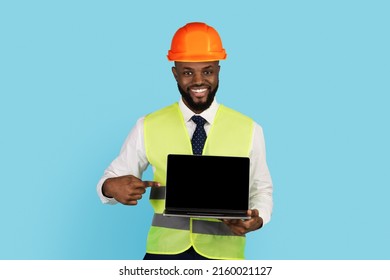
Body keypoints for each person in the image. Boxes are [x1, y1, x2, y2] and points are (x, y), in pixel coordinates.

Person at [97, 22, 273, 260]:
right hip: (163, 256)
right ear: (175, 73)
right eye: (188, 72)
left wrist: (257, 218)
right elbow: (110, 180)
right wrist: (110, 188)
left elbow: (262, 189)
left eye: (208, 71)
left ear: (219, 70)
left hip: (224, 258)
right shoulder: (148, 125)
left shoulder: (250, 129)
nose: (198, 81)